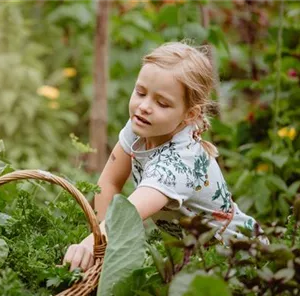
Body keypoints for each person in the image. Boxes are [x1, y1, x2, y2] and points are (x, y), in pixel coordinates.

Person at [63, 41, 266, 272]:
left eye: (162, 103)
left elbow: (128, 215)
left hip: (238, 259)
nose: (144, 107)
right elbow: (109, 182)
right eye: (140, 92)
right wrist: (98, 241)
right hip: (194, 257)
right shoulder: (142, 126)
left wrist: (91, 244)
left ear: (189, 114)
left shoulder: (179, 163)